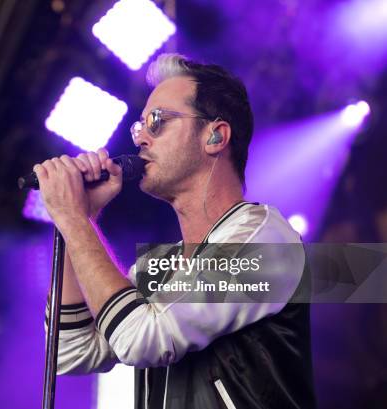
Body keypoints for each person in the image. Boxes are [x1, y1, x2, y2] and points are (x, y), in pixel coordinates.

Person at [34, 53, 315, 409]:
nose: (141, 139)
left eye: (158, 121)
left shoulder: (266, 242)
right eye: (140, 127)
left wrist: (73, 220)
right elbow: (69, 352)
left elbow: (143, 338)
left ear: (215, 135)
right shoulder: (159, 266)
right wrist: (83, 218)